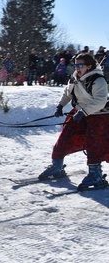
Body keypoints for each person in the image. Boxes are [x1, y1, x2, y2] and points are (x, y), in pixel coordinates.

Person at [38, 53, 109, 190]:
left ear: (89, 66)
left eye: (80, 65)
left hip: (99, 115)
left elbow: (100, 101)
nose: (77, 68)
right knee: (65, 137)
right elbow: (68, 93)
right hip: (79, 112)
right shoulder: (75, 77)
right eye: (75, 65)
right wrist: (61, 105)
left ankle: (96, 174)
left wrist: (84, 112)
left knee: (94, 143)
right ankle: (56, 166)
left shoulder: (98, 80)